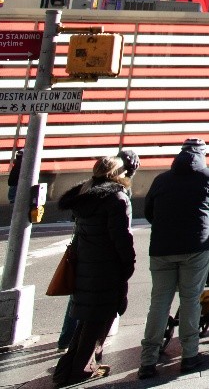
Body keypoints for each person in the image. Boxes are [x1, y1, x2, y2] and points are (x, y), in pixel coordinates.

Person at [137, 138, 209, 378]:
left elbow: (148, 211)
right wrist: (207, 225)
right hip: (196, 246)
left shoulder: (162, 179)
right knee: (190, 299)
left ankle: (148, 359)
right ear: (202, 155)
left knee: (159, 301)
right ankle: (189, 354)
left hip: (162, 247)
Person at [53, 156, 135, 387]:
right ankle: (80, 369)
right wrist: (128, 265)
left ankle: (72, 367)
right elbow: (122, 238)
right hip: (107, 267)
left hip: (85, 264)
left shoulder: (84, 196)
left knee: (89, 320)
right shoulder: (116, 199)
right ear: (117, 173)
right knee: (99, 320)